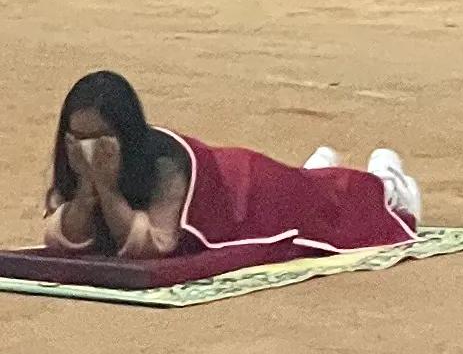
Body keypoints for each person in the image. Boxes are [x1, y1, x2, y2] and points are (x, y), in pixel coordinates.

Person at [38, 66, 419, 262]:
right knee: (310, 187)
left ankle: (387, 184)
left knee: (323, 206)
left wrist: (106, 188)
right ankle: (317, 172)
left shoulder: (166, 166)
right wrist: (87, 193)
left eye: (101, 139)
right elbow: (61, 239)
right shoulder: (75, 160)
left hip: (246, 190)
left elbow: (150, 245)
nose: (89, 150)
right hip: (238, 187)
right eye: (79, 138)